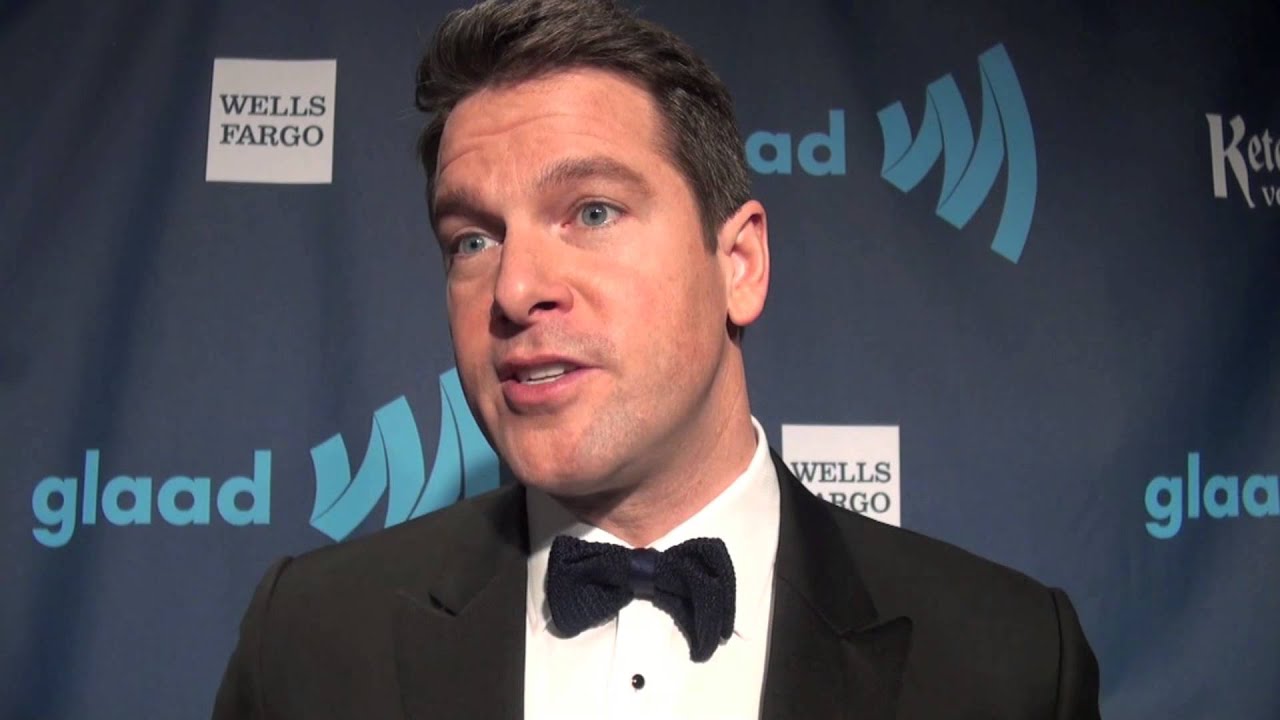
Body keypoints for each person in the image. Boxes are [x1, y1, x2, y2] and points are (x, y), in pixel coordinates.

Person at [212, 0, 1101, 717]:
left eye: (593, 212)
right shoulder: (308, 644)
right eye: (472, 240)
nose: (515, 289)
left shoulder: (1009, 662)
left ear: (739, 264)